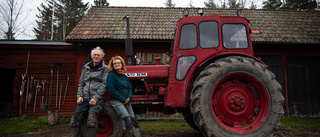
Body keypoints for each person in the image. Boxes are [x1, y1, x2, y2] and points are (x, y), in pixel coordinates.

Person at [70, 47, 109, 137]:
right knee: (75, 118)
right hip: (84, 98)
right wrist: (79, 96)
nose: (96, 56)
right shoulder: (86, 68)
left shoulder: (105, 69)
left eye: (98, 55)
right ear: (91, 56)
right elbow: (81, 83)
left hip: (96, 98)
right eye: (94, 55)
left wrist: (95, 98)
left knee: (91, 118)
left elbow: (104, 84)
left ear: (102, 57)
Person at [107, 56, 141, 137]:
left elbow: (129, 87)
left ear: (122, 64)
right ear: (112, 66)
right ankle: (126, 135)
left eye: (119, 63)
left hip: (126, 101)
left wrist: (129, 98)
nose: (117, 64)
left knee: (133, 120)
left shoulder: (124, 76)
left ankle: (137, 135)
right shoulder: (111, 76)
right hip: (116, 100)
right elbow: (111, 90)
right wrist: (123, 99)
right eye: (115, 63)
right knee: (127, 119)